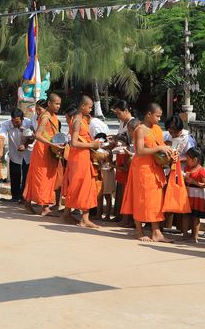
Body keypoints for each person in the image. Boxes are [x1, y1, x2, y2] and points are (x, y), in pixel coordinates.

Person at [121, 102, 172, 241]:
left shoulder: (157, 129)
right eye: (158, 116)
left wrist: (169, 153)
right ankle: (139, 231)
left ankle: (156, 232)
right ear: (149, 114)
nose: (159, 119)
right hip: (142, 168)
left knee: (155, 200)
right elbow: (139, 151)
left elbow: (159, 147)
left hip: (155, 168)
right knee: (141, 198)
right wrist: (160, 149)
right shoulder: (140, 129)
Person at [61, 95, 103, 229]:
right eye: (89, 107)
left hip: (81, 157)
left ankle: (69, 214)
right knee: (82, 184)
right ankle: (83, 219)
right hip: (79, 157)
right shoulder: (77, 121)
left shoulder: (82, 119)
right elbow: (73, 142)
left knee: (79, 184)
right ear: (83, 106)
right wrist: (92, 145)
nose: (90, 110)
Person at [23, 93, 63, 216]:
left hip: (51, 150)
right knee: (41, 177)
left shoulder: (54, 117)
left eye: (59, 104)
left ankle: (30, 204)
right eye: (56, 104)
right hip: (42, 150)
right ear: (49, 104)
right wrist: (52, 145)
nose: (58, 106)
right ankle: (44, 208)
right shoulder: (45, 116)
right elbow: (38, 135)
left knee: (48, 178)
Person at [111, 100, 139, 223]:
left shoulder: (133, 123)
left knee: (127, 189)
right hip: (120, 156)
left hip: (129, 157)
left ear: (126, 111)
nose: (118, 116)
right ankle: (119, 215)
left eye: (119, 113)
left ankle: (127, 217)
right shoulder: (122, 123)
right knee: (120, 187)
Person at [0, 108, 35, 203]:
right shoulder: (6, 124)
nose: (15, 124)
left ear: (22, 119)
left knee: (26, 175)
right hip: (14, 153)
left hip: (27, 153)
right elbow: (2, 136)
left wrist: (25, 145)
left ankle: (24, 197)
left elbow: (33, 137)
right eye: (14, 121)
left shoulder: (29, 123)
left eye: (18, 122)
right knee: (14, 174)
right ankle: (15, 197)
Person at [183, 148, 205, 242]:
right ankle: (185, 234)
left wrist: (194, 182)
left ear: (195, 160)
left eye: (188, 159)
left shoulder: (202, 170)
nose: (187, 161)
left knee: (196, 216)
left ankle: (195, 237)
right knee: (186, 215)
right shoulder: (187, 168)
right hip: (188, 193)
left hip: (197, 195)